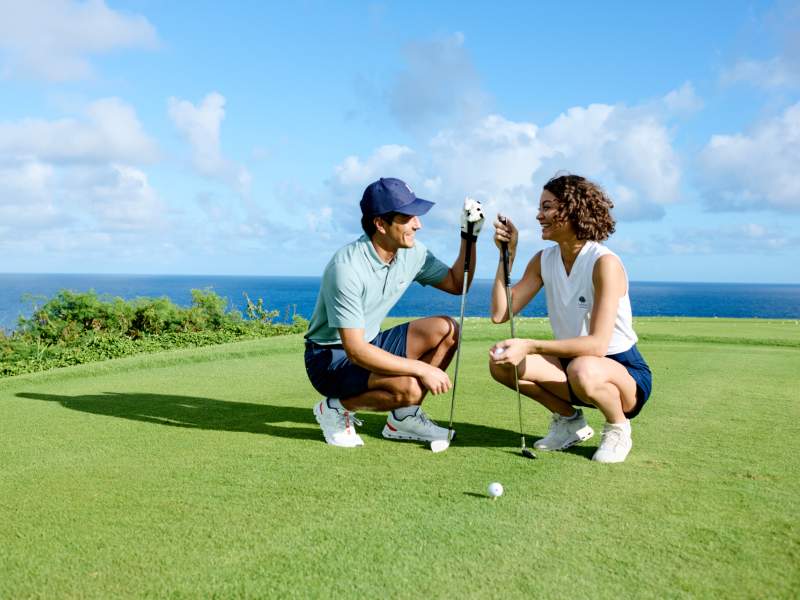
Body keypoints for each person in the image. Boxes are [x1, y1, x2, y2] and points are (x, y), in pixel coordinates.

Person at [305, 177, 484, 448]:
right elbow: (354, 350)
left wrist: (468, 237)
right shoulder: (346, 268)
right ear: (380, 223)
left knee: (447, 329)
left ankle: (403, 418)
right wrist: (421, 369)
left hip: (369, 342)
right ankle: (334, 409)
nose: (418, 224)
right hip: (330, 358)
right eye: (408, 217)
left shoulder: (412, 253)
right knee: (410, 387)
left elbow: (457, 284)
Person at [488, 173, 652, 463]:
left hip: (622, 371)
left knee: (584, 368)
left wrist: (530, 345)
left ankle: (618, 427)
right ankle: (570, 423)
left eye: (547, 207)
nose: (539, 216)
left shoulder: (604, 263)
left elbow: (598, 346)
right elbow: (501, 313)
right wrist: (507, 255)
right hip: (574, 365)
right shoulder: (543, 260)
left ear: (573, 210)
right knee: (502, 362)